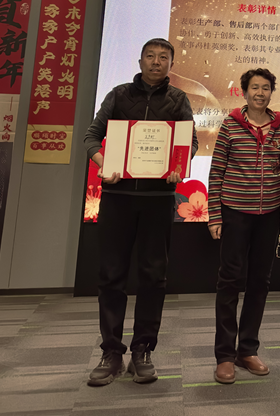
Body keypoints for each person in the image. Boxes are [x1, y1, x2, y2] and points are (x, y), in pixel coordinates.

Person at [84, 38, 198, 387]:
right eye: (150, 56)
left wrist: (180, 165)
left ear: (171, 65)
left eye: (163, 57)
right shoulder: (119, 95)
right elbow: (91, 137)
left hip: (157, 200)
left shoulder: (178, 99)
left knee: (153, 277)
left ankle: (143, 350)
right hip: (117, 198)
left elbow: (190, 142)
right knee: (111, 276)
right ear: (140, 61)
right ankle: (111, 352)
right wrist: (104, 163)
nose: (156, 62)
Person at [207, 68, 280, 384]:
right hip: (234, 213)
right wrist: (214, 215)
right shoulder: (230, 125)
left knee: (259, 282)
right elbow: (216, 172)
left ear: (271, 92)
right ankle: (224, 355)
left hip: (269, 215)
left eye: (266, 88)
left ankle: (247, 350)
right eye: (255, 87)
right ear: (244, 92)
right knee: (229, 282)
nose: (260, 93)